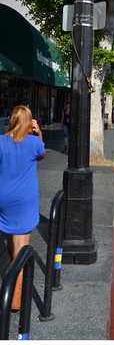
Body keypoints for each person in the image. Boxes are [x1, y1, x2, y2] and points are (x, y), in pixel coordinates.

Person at [0, 105, 46, 310]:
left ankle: (11, 273)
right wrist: (39, 132)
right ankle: (14, 300)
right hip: (24, 200)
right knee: (21, 250)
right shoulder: (34, 142)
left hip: (4, 198)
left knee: (11, 241)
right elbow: (42, 154)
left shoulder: (1, 141)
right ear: (29, 122)